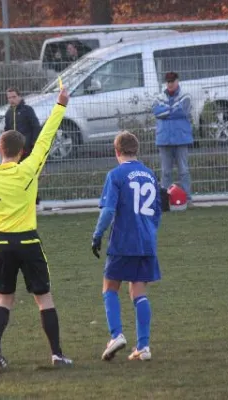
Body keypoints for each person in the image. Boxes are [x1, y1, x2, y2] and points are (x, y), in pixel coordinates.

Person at [0, 88, 73, 369]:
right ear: (22, 152)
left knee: (4, 299)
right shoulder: (29, 168)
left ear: (0, 148)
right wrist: (60, 105)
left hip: (2, 243)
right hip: (29, 243)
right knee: (44, 298)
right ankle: (57, 354)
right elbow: (45, 138)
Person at [91, 131, 162, 362]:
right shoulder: (150, 175)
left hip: (124, 241)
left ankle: (116, 335)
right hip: (147, 242)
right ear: (137, 150)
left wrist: (97, 235)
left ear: (116, 151)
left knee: (110, 287)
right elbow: (158, 213)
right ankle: (143, 347)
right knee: (138, 291)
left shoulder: (116, 175)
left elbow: (108, 211)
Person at [153, 71, 193, 203]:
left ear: (177, 81)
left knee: (184, 171)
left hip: (181, 139)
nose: (170, 84)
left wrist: (166, 111)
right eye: (168, 81)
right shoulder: (159, 97)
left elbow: (183, 110)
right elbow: (157, 112)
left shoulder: (185, 96)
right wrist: (172, 110)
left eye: (172, 81)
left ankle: (187, 199)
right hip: (164, 140)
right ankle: (165, 201)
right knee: (166, 172)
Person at [4, 87, 43, 207]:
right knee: (15, 176)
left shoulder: (27, 110)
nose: (12, 100)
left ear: (19, 97)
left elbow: (36, 127)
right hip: (14, 152)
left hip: (26, 150)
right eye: (9, 97)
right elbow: (7, 130)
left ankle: (35, 202)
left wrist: (32, 144)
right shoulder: (9, 113)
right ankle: (20, 201)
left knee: (29, 176)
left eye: (14, 97)